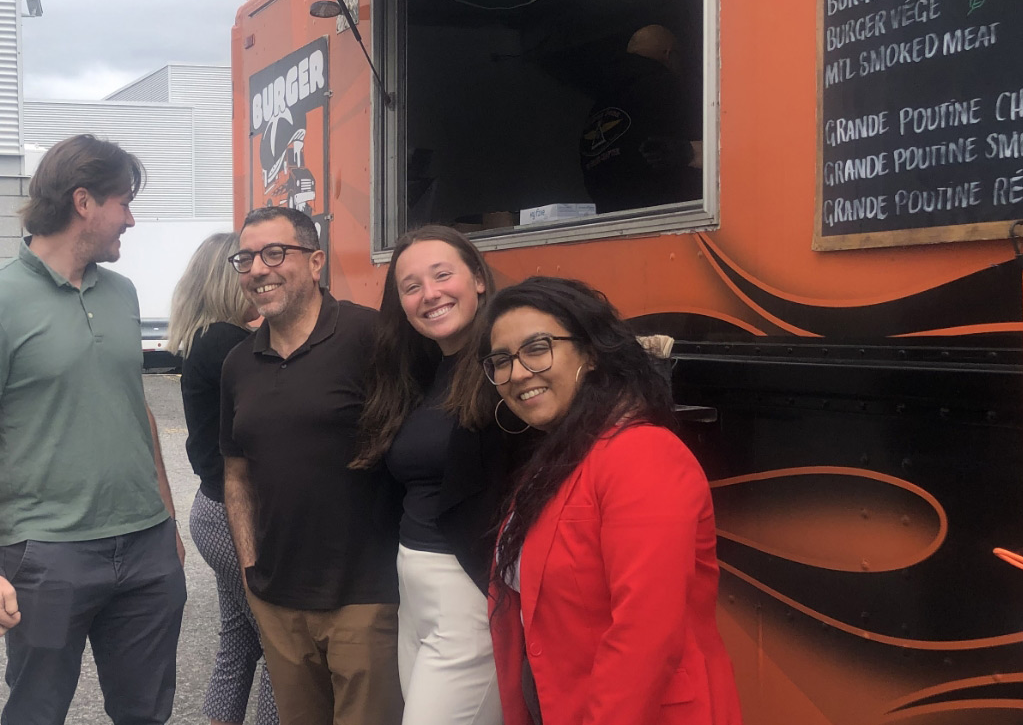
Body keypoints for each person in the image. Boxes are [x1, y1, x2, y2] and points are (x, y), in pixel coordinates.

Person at [468, 276, 741, 725]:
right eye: (501, 360)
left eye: (538, 348)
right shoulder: (560, 456)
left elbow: (645, 634)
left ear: (591, 353)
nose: (517, 373)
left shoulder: (642, 454)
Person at [0, 134, 187, 725]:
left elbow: (136, 407)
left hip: (146, 547)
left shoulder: (122, 293)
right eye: (123, 202)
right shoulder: (3, 298)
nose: (130, 219)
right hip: (46, 554)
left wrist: (168, 519)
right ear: (83, 201)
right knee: (37, 711)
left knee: (146, 713)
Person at [220, 206, 402, 725]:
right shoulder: (238, 363)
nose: (258, 269)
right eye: (246, 258)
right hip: (277, 600)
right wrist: (252, 572)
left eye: (276, 253)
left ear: (316, 261)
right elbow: (236, 474)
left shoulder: (371, 338)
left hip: (364, 598)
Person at [352, 226, 521, 725]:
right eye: (410, 286)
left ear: (478, 280)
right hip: (414, 587)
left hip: (468, 590)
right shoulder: (423, 373)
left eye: (442, 275)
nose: (430, 294)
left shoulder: (507, 371)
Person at [167, 232, 279, 725]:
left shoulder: (201, 339)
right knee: (281, 646)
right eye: (245, 265)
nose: (255, 273)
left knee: (237, 639)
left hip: (209, 511)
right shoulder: (234, 344)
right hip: (237, 515)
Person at [579, 24, 703, 213]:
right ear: (671, 55)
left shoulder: (598, 106)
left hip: (611, 222)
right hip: (675, 219)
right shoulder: (669, 89)